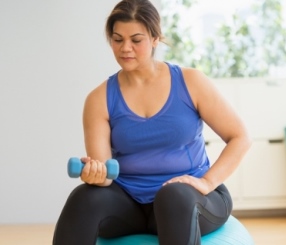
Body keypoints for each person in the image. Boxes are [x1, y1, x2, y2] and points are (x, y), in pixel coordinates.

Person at [52, 0, 251, 244]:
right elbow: (106, 176)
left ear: (155, 38)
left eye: (136, 40)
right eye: (117, 39)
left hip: (191, 199)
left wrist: (207, 182)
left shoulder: (191, 82)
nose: (126, 48)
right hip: (131, 205)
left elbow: (240, 136)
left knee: (173, 196)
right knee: (84, 197)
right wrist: (96, 174)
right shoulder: (99, 99)